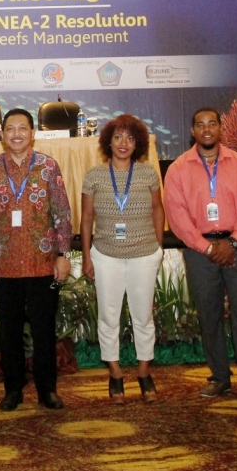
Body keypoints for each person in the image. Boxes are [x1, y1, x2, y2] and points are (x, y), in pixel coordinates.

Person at [164, 108, 237, 401]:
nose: (206, 129)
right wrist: (208, 247)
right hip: (200, 252)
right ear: (192, 131)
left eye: (212, 124)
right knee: (209, 314)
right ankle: (220, 377)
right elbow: (177, 216)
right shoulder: (177, 169)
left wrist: (234, 242)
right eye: (200, 124)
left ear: (220, 128)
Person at [0, 108, 74, 412]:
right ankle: (13, 389)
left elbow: (62, 214)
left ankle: (48, 390)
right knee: (9, 330)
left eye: (23, 128)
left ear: (33, 133)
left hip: (42, 262)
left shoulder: (48, 167)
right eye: (10, 129)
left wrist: (63, 254)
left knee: (44, 330)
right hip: (4, 265)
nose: (17, 134)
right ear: (2, 134)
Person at [80, 113, 165, 404]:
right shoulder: (94, 175)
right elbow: (87, 217)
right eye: (117, 137)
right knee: (109, 315)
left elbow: (157, 209)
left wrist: (159, 248)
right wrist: (87, 257)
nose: (123, 143)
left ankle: (143, 371)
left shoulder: (148, 173)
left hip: (144, 254)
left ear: (138, 143)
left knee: (143, 315)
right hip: (106, 256)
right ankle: (115, 372)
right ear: (108, 141)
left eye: (130, 138)